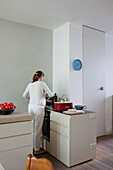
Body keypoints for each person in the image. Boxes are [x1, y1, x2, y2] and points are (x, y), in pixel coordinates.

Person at [23, 71, 54, 154]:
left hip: (30, 108)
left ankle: (32, 147)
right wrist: (44, 95)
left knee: (32, 128)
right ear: (41, 77)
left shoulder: (30, 85)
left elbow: (24, 95)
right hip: (38, 108)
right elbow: (51, 94)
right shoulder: (41, 83)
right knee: (38, 129)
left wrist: (32, 96)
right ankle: (37, 149)